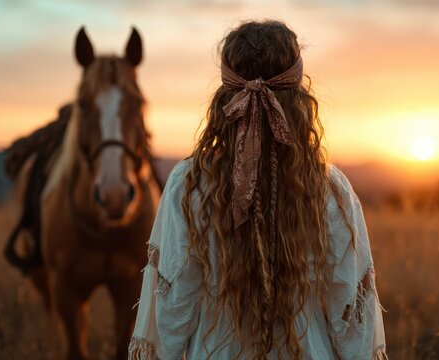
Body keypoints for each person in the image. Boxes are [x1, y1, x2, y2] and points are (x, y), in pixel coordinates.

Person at [129, 20, 386, 360]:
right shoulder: (328, 189)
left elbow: (173, 308)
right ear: (299, 99)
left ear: (223, 97)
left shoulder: (191, 183)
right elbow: (352, 319)